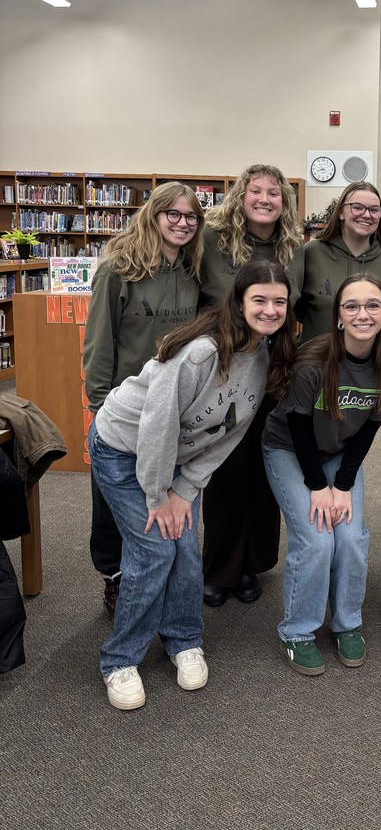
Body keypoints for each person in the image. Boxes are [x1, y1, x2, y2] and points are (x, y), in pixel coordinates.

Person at [89, 261, 296, 709]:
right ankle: (119, 659)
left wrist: (187, 489)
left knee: (184, 548)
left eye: (279, 301)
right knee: (155, 548)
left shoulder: (261, 356)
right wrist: (159, 495)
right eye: (259, 299)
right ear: (239, 303)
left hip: (175, 461)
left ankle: (184, 639)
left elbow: (232, 432)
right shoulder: (201, 353)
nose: (270, 309)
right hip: (124, 449)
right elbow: (157, 427)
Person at [263, 274, 381, 676]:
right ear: (339, 316)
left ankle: (347, 623)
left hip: (340, 453)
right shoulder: (313, 360)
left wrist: (342, 485)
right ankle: (297, 630)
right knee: (316, 541)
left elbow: (369, 429)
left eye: (373, 305)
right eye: (352, 306)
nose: (363, 314)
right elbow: (296, 426)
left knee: (352, 537)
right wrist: (317, 487)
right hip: (291, 451)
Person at [83, 181, 204, 617]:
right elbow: (99, 344)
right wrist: (97, 411)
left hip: (172, 407)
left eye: (190, 216)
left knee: (164, 490)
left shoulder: (194, 271)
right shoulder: (119, 268)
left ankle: (164, 575)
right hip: (121, 407)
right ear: (153, 215)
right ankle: (114, 577)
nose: (182, 223)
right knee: (113, 496)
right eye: (172, 213)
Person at [198, 164, 304, 608]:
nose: (265, 199)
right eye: (255, 191)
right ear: (241, 196)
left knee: (265, 468)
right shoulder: (211, 240)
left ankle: (252, 564)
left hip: (274, 369)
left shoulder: (297, 247)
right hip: (224, 370)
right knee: (225, 467)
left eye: (274, 193)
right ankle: (221, 566)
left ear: (285, 201)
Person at [295, 180, 381, 344]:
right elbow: (296, 307)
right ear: (341, 213)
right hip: (317, 362)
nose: (366, 215)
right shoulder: (312, 253)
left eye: (374, 210)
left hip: (369, 365)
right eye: (357, 207)